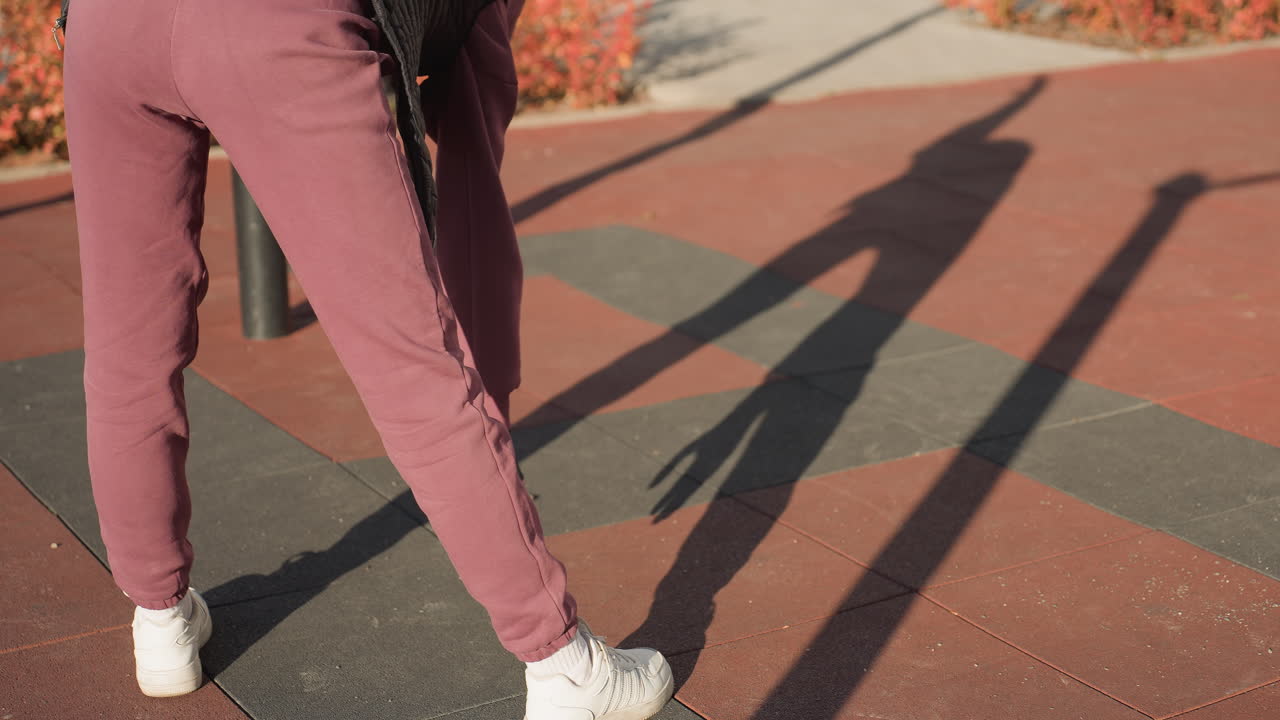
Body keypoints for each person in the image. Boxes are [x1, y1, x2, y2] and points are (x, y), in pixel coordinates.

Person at [58, 0, 674, 717]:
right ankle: (562, 660)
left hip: (110, 25)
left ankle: (158, 617)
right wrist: (491, 425)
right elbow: (476, 223)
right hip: (268, 24)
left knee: (127, 341)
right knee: (411, 359)